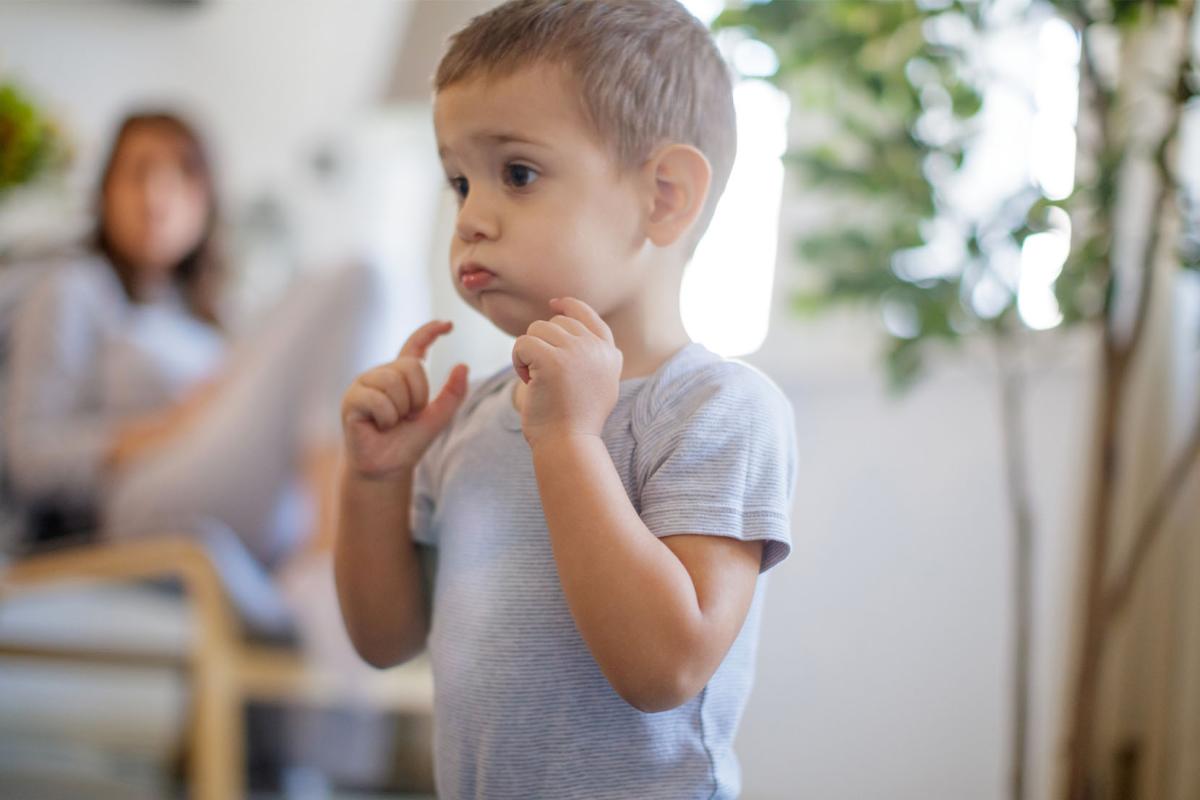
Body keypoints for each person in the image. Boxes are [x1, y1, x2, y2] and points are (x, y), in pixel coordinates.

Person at [335, 1, 798, 797]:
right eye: (459, 181)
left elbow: (666, 665)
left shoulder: (717, 411)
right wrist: (375, 480)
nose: (472, 218)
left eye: (517, 173)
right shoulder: (474, 418)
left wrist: (570, 443)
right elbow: (384, 640)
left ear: (664, 197)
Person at [6, 111, 387, 631]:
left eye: (182, 174)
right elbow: (30, 456)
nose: (157, 195)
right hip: (135, 502)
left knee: (369, 284)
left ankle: (322, 559)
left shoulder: (213, 317)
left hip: (239, 498)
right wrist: (169, 427)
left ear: (207, 201)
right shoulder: (76, 289)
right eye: (138, 172)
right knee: (359, 279)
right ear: (104, 191)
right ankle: (331, 566)